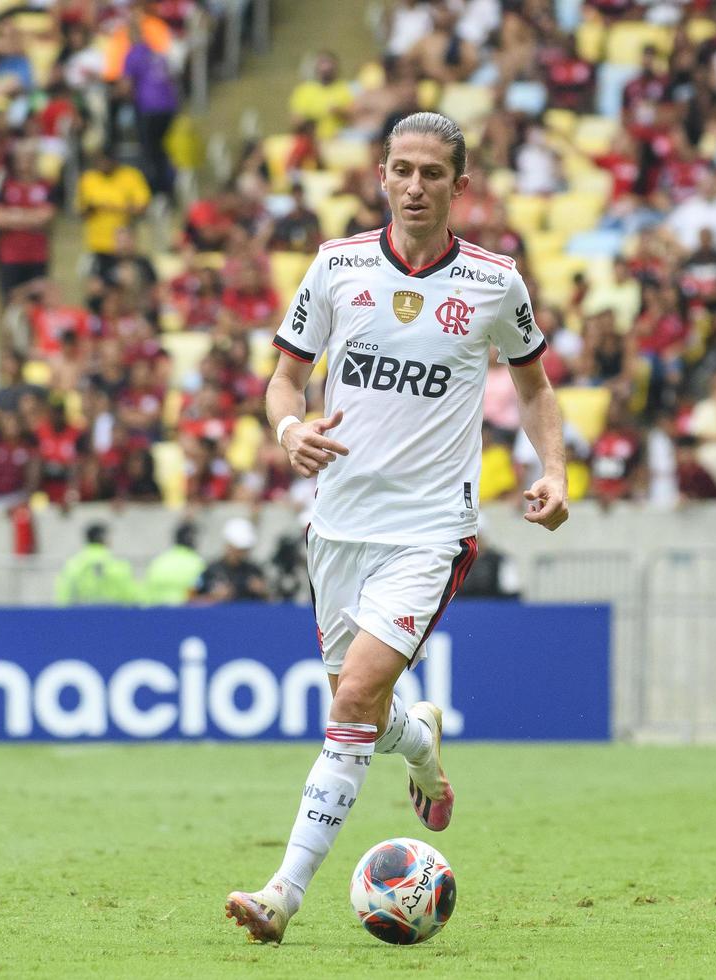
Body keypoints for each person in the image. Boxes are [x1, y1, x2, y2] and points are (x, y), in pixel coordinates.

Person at [228, 111, 569, 944]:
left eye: (431, 173)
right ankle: (420, 743)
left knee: (349, 699)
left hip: (430, 530)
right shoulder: (337, 268)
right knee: (368, 705)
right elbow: (283, 379)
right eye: (401, 170)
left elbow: (533, 389)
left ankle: (283, 893)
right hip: (338, 527)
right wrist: (288, 429)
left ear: (460, 186)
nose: (415, 186)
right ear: (381, 174)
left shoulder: (495, 283)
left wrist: (552, 469)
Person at [53, 523, 138, 606]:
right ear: (104, 538)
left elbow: (63, 596)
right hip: (114, 617)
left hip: (79, 617)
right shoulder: (118, 565)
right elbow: (131, 597)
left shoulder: (73, 565)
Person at [194, 518, 269, 604]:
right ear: (228, 546)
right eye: (237, 549)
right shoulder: (210, 570)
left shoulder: (254, 570)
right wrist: (213, 597)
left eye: (244, 549)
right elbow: (191, 603)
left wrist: (263, 592)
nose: (241, 553)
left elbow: (272, 602)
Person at [141, 522, 205, 606]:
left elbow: (146, 592)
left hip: (156, 612)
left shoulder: (159, 561)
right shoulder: (197, 563)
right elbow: (199, 591)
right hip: (185, 614)